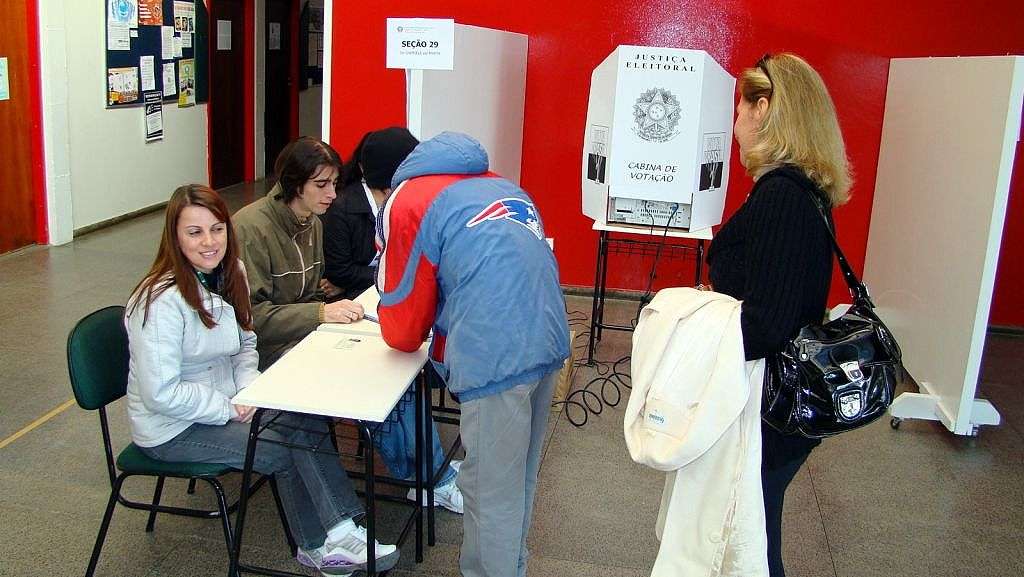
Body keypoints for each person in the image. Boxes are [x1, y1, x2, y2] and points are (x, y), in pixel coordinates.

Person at [124, 185, 398, 576]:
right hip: (172, 428)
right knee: (281, 448)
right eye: (195, 232)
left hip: (228, 401)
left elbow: (244, 343)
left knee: (304, 417)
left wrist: (251, 388)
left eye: (217, 229)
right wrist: (229, 407)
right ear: (174, 237)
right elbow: (160, 393)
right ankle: (320, 546)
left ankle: (340, 530)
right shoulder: (159, 302)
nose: (209, 242)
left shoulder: (230, 272)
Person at [375, 131, 571, 577]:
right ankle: (513, 566)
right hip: (548, 338)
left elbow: (404, 310)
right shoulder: (502, 184)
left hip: (495, 354)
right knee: (518, 476)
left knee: (488, 490)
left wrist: (401, 334)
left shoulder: (410, 198)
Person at [233, 136, 463, 512]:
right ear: (294, 183)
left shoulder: (313, 223)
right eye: (321, 185)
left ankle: (429, 476)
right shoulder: (251, 228)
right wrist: (322, 312)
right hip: (268, 352)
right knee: (373, 379)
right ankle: (427, 478)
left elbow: (315, 289)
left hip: (307, 334)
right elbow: (251, 321)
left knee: (394, 365)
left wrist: (327, 309)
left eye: (335, 184)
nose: (332, 194)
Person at [705, 53, 852, 577]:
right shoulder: (802, 192)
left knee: (750, 546)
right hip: (784, 404)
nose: (735, 121)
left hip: (770, 406)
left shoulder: (780, 199)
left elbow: (766, 322)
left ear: (764, 109)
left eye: (741, 108)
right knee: (753, 531)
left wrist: (699, 340)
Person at [321, 127, 419, 301]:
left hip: (384, 291)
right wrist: (398, 273)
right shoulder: (342, 208)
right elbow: (340, 272)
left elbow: (416, 261)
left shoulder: (413, 203)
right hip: (354, 300)